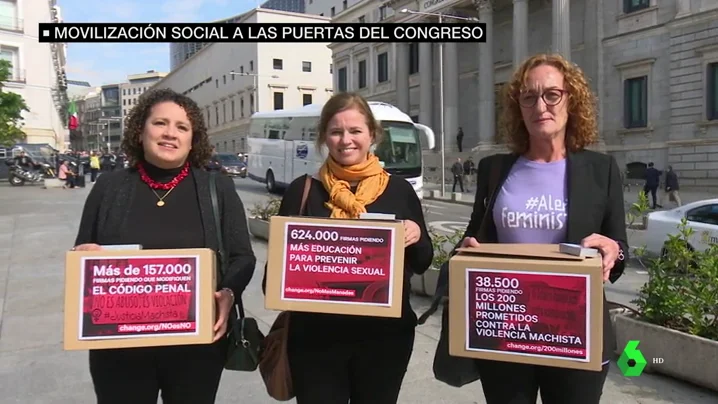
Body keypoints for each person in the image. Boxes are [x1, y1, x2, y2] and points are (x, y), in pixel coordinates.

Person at [461, 54, 628, 404]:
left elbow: (618, 248)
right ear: (517, 107)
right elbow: (472, 241)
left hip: (575, 334)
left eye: (552, 94)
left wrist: (613, 251)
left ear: (571, 100)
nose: (541, 105)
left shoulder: (601, 170)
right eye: (528, 96)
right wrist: (467, 253)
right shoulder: (494, 170)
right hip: (505, 333)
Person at [72, 88, 257, 404]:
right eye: (160, 123)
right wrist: (84, 258)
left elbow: (243, 256)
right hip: (120, 351)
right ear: (141, 130)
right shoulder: (108, 187)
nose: (170, 133)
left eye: (182, 127)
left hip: (195, 349)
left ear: (192, 138)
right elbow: (82, 252)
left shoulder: (218, 187)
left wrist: (228, 293)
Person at [261, 92, 433, 404]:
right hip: (315, 341)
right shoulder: (303, 190)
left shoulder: (399, 190)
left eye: (355, 131)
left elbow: (422, 261)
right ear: (324, 136)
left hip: (383, 342)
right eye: (336, 131)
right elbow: (273, 277)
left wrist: (416, 233)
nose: (346, 140)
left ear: (372, 134)